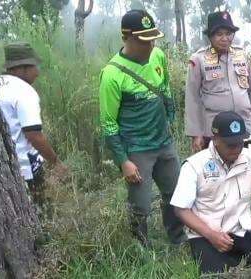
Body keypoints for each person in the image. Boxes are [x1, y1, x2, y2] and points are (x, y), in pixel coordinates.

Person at [99, 9, 185, 247]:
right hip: (137, 149)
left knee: (175, 194)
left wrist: (171, 117)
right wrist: (123, 161)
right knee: (141, 205)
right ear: (127, 38)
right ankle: (141, 248)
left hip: (164, 142)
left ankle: (177, 239)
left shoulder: (157, 56)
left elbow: (165, 88)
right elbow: (108, 124)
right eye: (144, 40)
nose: (151, 44)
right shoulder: (112, 75)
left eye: (153, 38)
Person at [171, 111, 251, 274]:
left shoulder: (250, 158)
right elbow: (181, 209)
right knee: (216, 273)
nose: (236, 149)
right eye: (230, 144)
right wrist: (211, 234)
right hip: (206, 233)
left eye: (239, 143)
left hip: (241, 228)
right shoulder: (195, 165)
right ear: (215, 139)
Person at [0, 42, 69, 215]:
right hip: (26, 168)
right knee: (39, 212)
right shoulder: (24, 92)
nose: (37, 72)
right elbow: (34, 135)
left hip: (2, 169)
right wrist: (56, 162)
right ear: (21, 68)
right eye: (34, 66)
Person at [185, 11, 251, 153]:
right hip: (215, 131)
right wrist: (196, 133)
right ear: (210, 37)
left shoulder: (242, 56)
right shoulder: (198, 60)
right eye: (219, 34)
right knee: (216, 172)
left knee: (248, 168)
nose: (225, 38)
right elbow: (192, 98)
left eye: (228, 34)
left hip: (245, 127)